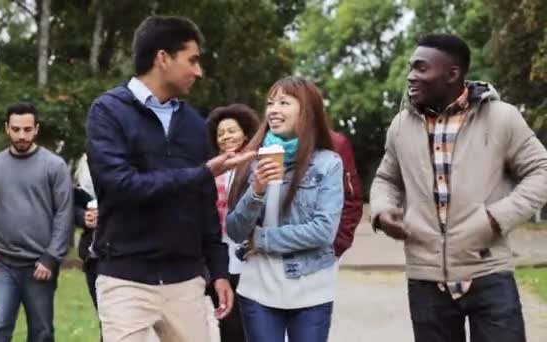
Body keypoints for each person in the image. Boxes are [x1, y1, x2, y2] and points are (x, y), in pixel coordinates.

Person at [85, 15, 255, 342]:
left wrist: (218, 271)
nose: (198, 71)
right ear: (163, 58)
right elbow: (121, 187)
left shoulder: (193, 124)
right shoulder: (107, 112)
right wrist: (203, 172)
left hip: (185, 281)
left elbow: (205, 204)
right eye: (192, 60)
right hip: (125, 280)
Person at [370, 33, 547, 342]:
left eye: (421, 68)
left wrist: (496, 217)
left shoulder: (502, 118)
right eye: (411, 67)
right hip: (425, 279)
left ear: (452, 74)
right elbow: (386, 179)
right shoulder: (401, 126)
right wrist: (383, 210)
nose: (411, 76)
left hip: (488, 270)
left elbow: (541, 171)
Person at [226, 76, 344, 342]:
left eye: (283, 102)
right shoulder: (251, 160)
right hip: (258, 289)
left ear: (306, 110)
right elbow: (234, 230)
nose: (273, 110)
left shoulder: (328, 164)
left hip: (312, 288)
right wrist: (256, 190)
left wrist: (262, 239)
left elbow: (324, 231)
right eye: (270, 103)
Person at [0, 102, 74, 342]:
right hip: (3, 264)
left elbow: (64, 213)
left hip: (40, 266)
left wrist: (51, 257)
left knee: (41, 333)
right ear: (7, 128)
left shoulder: (54, 166)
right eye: (16, 129)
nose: (21, 135)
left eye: (27, 129)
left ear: (36, 129)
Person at [206, 103, 260, 342]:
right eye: (221, 133)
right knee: (229, 327)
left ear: (246, 133)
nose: (226, 136)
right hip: (221, 261)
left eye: (232, 130)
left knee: (256, 326)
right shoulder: (212, 170)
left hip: (252, 258)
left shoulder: (258, 166)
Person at [73, 153, 101, 339]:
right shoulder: (84, 164)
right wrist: (83, 217)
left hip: (125, 255)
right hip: (94, 257)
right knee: (105, 320)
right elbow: (73, 206)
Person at [330, 130, 363, 257]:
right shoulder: (265, 142)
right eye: (270, 107)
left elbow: (352, 198)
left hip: (322, 257)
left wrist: (339, 244)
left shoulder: (335, 143)